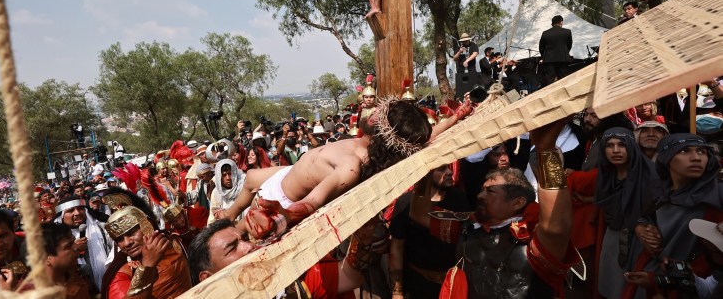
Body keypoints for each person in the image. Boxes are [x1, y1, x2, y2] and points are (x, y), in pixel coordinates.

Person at [410, 119, 579, 298]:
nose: (480, 196)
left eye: (490, 191)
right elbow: (419, 214)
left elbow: (556, 226)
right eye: (482, 190)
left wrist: (545, 149)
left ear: (518, 202)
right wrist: (426, 168)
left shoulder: (533, 236)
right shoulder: (468, 228)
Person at [224, 99, 432, 240]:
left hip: (281, 195)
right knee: (250, 176)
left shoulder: (351, 167)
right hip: (286, 173)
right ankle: (227, 215)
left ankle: (228, 228)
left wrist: (283, 215)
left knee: (234, 233)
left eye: (382, 114)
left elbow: (312, 202)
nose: (374, 112)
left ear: (387, 133)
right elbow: (423, 143)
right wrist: (456, 117)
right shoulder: (363, 143)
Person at [626, 133, 723, 297]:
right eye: (685, 151)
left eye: (701, 152)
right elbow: (642, 216)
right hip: (652, 274)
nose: (696, 158)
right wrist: (640, 227)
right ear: (666, 157)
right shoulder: (656, 191)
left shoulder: (718, 195)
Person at [189, 218, 362, 297]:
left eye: (245, 239)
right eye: (232, 248)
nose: (249, 247)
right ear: (207, 278)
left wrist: (364, 237)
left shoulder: (291, 284)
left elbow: (350, 277)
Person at [389, 164, 472, 298]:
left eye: (449, 167)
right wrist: (397, 292)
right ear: (425, 173)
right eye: (442, 169)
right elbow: (397, 248)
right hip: (418, 284)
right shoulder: (405, 203)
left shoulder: (460, 198)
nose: (450, 172)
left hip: (452, 285)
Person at [594, 128, 657, 299]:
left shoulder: (649, 174)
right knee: (612, 287)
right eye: (610, 146)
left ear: (631, 146)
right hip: (613, 238)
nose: (616, 151)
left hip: (641, 241)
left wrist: (639, 223)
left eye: (622, 145)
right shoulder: (606, 175)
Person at [102, 206, 191, 299]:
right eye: (119, 239)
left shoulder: (173, 241)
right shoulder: (121, 274)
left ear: (148, 225)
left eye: (131, 233)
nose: (127, 243)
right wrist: (147, 266)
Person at [54, 195, 114, 293]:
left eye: (80, 208)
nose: (77, 213)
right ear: (62, 216)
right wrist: (72, 249)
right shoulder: (54, 239)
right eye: (70, 211)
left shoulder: (102, 227)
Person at [24, 223, 90, 299]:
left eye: (73, 243)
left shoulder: (74, 274)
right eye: (68, 246)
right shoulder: (33, 294)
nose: (76, 248)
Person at [208, 160, 246, 224]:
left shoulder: (243, 187)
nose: (228, 178)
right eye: (224, 175)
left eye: (230, 174)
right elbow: (212, 217)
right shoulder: (217, 193)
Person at [539, 14, 573, 86]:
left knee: (550, 80)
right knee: (564, 79)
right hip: (563, 58)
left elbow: (541, 47)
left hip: (549, 60)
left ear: (552, 24)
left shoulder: (545, 33)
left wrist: (543, 57)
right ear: (561, 22)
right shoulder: (567, 32)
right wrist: (565, 52)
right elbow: (569, 45)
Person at [452, 33, 479, 99]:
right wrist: (459, 52)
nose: (464, 42)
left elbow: (475, 53)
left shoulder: (473, 45)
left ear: (469, 40)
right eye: (463, 41)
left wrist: (467, 60)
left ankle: (474, 99)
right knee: (463, 87)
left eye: (466, 40)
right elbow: (454, 58)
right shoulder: (459, 47)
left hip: (471, 69)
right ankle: (463, 100)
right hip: (461, 71)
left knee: (473, 85)